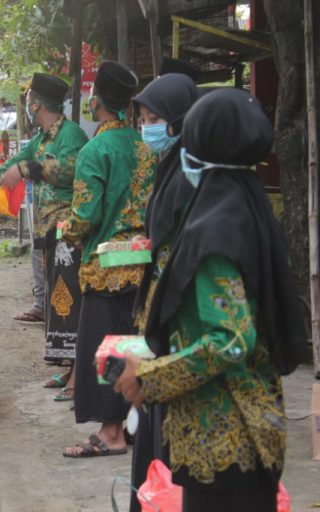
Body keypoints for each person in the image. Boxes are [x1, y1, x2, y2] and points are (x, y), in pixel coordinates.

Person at [115, 88, 306, 511]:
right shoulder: (250, 211)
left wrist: (149, 377)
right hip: (256, 422)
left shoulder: (215, 233)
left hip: (222, 434)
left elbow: (230, 340)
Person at [0, 73, 90, 398]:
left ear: (35, 103)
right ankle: (69, 369)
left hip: (70, 233)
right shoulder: (41, 140)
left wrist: (27, 170)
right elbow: (6, 167)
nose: (25, 106)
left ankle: (78, 377)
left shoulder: (71, 135)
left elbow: (71, 169)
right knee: (56, 303)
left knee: (70, 303)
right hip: (47, 233)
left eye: (27, 101)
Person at [59, 61, 156, 458]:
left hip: (104, 267)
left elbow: (86, 215)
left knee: (103, 347)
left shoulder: (94, 149)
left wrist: (67, 229)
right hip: (142, 261)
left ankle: (110, 432)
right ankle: (133, 426)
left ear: (95, 101)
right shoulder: (144, 147)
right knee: (132, 343)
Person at [127, 72, 200, 511]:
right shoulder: (168, 168)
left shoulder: (192, 177)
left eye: (156, 118)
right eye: (144, 117)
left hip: (177, 328)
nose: (148, 127)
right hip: (158, 316)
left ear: (180, 121)